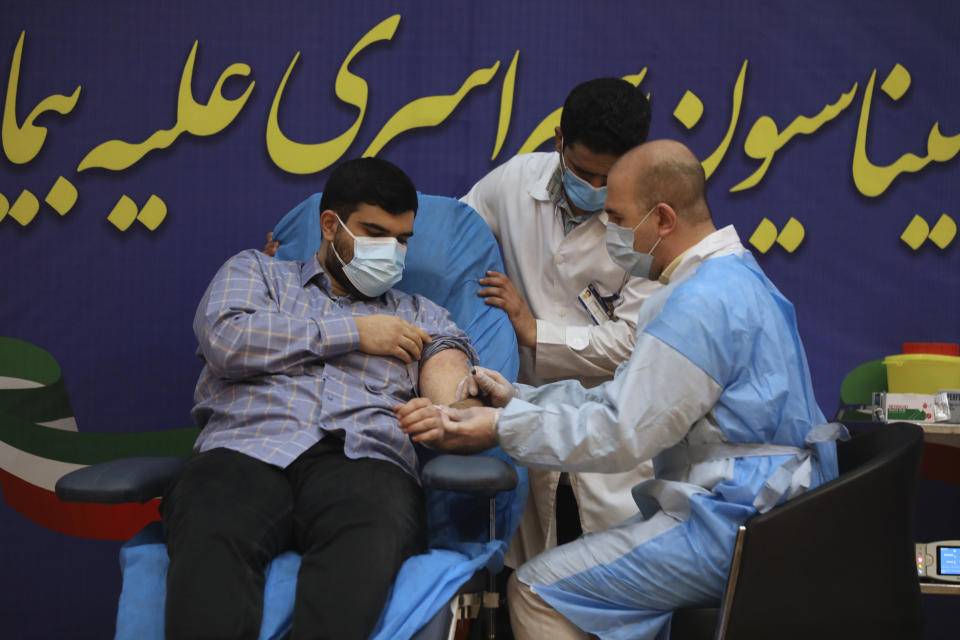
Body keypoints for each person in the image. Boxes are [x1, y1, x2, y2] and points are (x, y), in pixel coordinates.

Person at [398, 140, 844, 640]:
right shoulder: (737, 278)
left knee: (537, 588)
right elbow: (620, 399)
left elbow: (619, 431)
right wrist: (519, 398)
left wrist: (501, 427)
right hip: (769, 512)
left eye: (615, 215)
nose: (608, 229)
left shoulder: (700, 304)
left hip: (740, 523)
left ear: (663, 220)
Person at [161, 158, 479, 640]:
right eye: (374, 233)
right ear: (331, 225)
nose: (391, 252)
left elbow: (454, 388)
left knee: (365, 543)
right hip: (245, 450)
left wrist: (450, 415)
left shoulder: (420, 314)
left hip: (364, 463)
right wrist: (352, 332)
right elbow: (227, 340)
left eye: (402, 240)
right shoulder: (259, 274)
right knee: (213, 531)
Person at [460, 77, 661, 591]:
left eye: (608, 177)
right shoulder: (514, 182)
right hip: (530, 409)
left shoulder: (654, 219)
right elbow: (447, 236)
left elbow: (635, 341)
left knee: (611, 587)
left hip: (611, 423)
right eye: (581, 171)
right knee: (528, 577)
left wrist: (535, 330)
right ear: (557, 139)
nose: (593, 188)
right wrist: (305, 242)